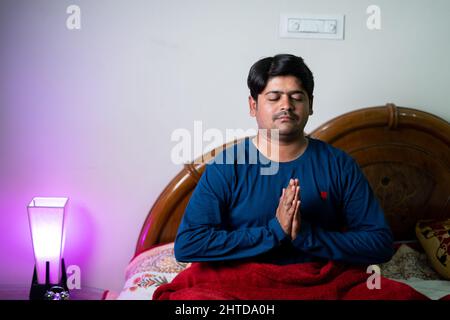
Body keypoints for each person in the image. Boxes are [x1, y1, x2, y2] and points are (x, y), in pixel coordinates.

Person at [174, 54, 394, 265]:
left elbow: (380, 243)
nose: (286, 105)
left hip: (320, 279)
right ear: (253, 106)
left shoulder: (339, 165)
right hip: (243, 283)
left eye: (297, 97)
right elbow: (189, 244)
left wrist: (307, 236)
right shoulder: (226, 167)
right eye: (274, 97)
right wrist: (275, 231)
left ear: (311, 104)